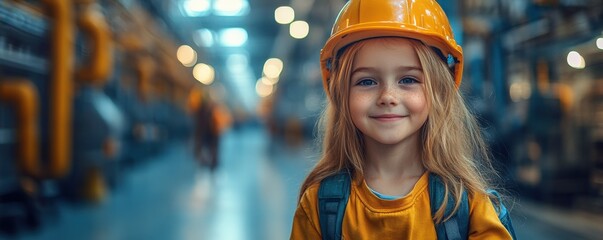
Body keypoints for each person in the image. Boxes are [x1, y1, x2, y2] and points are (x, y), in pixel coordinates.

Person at [290, 0, 514, 239]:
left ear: (439, 91)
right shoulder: (318, 206)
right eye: (366, 81)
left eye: (408, 80)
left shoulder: (470, 208)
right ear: (341, 95)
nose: (388, 97)